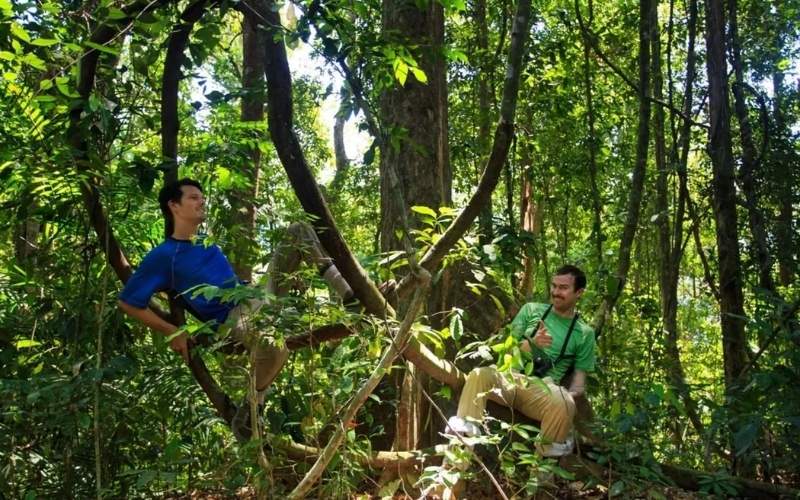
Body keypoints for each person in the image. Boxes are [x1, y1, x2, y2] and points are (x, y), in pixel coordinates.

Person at [118, 178, 354, 442]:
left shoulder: (204, 241)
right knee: (273, 345)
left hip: (256, 295)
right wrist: (173, 331)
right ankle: (253, 408)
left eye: (202, 196)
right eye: (193, 197)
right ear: (173, 205)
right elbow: (127, 302)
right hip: (232, 317)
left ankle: (349, 293)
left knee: (299, 230)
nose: (202, 201)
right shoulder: (164, 256)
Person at [446, 265, 595, 457]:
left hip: (542, 390)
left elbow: (578, 384)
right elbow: (504, 349)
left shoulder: (584, 333)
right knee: (478, 375)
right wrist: (531, 344)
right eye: (554, 286)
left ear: (579, 292)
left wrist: (564, 415)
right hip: (509, 378)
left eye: (564, 288)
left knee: (565, 402)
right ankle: (454, 467)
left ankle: (540, 478)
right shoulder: (531, 310)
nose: (556, 292)